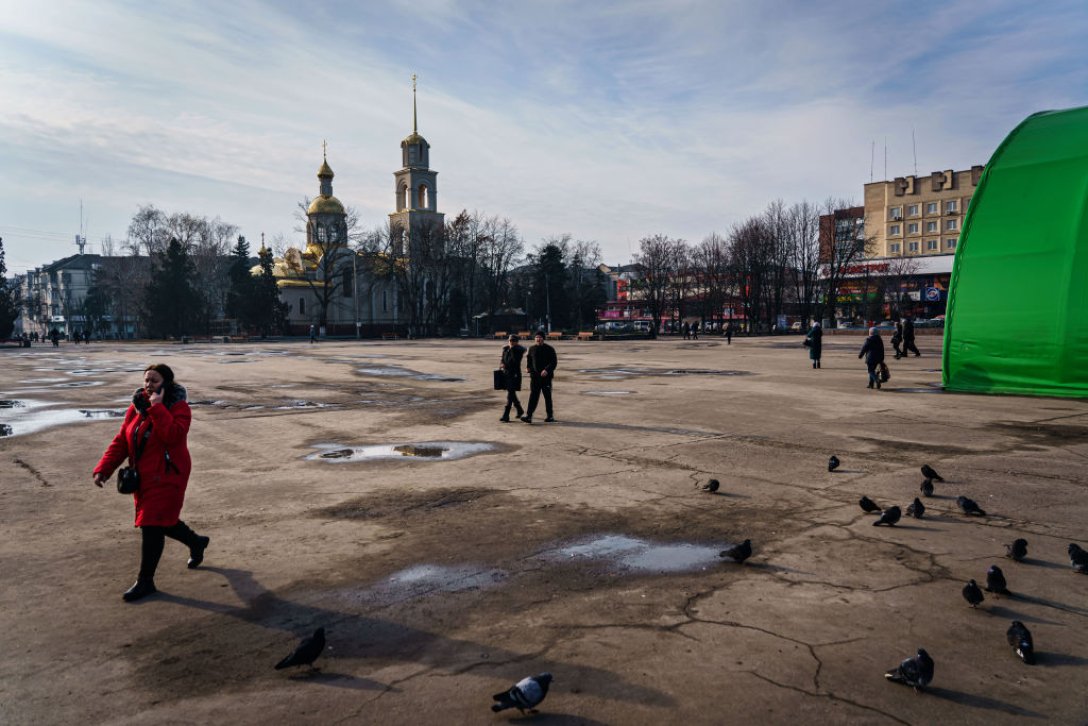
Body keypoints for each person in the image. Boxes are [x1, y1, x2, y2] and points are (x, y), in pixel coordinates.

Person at [92, 363, 208, 602]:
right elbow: (122, 441)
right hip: (144, 475)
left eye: (154, 381)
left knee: (151, 524)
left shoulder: (179, 407)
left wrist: (157, 408)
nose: (148, 385)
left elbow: (173, 436)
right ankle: (197, 542)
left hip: (169, 473)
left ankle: (146, 581)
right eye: (146, 380)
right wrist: (104, 469)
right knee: (162, 521)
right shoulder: (136, 407)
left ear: (166, 383)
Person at [521, 331, 557, 424]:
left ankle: (550, 416)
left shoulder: (549, 349)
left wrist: (547, 370)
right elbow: (529, 359)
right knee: (533, 396)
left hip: (546, 378)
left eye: (540, 337)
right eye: (536, 337)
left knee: (547, 397)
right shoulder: (532, 349)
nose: (538, 339)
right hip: (535, 377)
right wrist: (528, 367)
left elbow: (554, 362)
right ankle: (528, 416)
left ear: (543, 339)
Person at [499, 334, 526, 423]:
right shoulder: (506, 349)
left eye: (513, 341)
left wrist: (512, 349)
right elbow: (502, 359)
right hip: (506, 374)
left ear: (517, 342)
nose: (511, 342)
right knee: (511, 393)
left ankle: (506, 414)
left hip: (514, 374)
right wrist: (502, 364)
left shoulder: (518, 350)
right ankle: (519, 409)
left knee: (510, 394)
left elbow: (515, 361)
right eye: (510, 341)